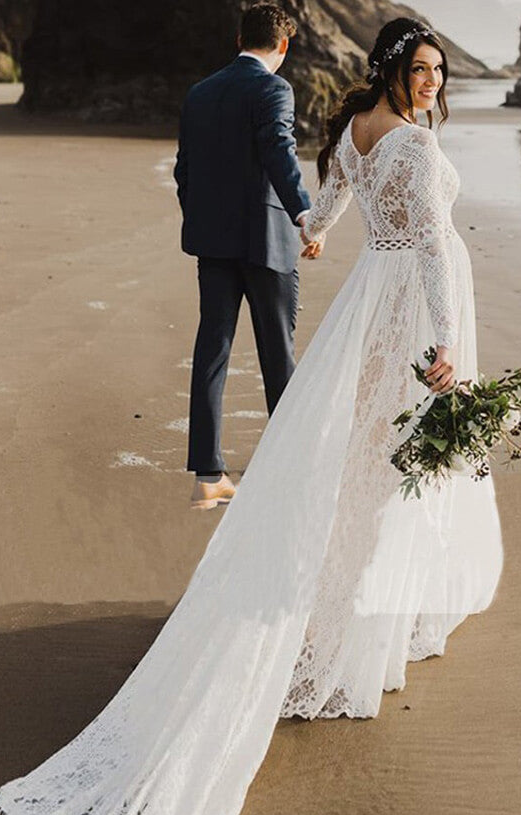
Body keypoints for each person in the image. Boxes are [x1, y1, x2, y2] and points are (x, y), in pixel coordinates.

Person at [0, 17, 503, 815]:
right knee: (381, 474)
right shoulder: (411, 145)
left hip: (366, 302)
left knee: (363, 466)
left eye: (439, 72)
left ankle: (337, 616)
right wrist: (446, 344)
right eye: (421, 69)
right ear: (393, 69)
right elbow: (429, 255)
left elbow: (333, 198)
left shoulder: (357, 130)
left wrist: (316, 234)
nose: (433, 83)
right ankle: (334, 640)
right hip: (410, 308)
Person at [173, 3, 318, 511]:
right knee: (277, 351)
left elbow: (184, 171)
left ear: (239, 39)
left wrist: (204, 219)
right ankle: (290, 465)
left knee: (212, 350)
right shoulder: (274, 89)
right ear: (283, 45)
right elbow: (279, 149)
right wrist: (305, 214)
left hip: (212, 241)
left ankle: (208, 476)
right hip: (265, 242)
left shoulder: (200, 92)